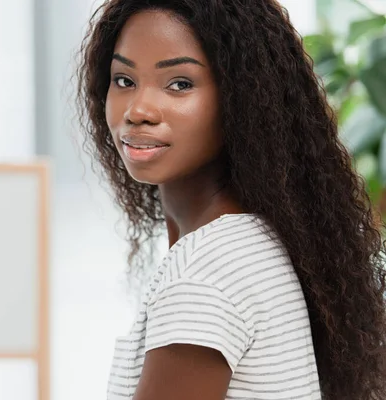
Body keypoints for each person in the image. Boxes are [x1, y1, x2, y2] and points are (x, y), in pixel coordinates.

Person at [74, 0, 386, 399]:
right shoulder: (252, 239)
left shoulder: (205, 275)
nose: (138, 110)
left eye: (180, 84)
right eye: (124, 80)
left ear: (243, 100)